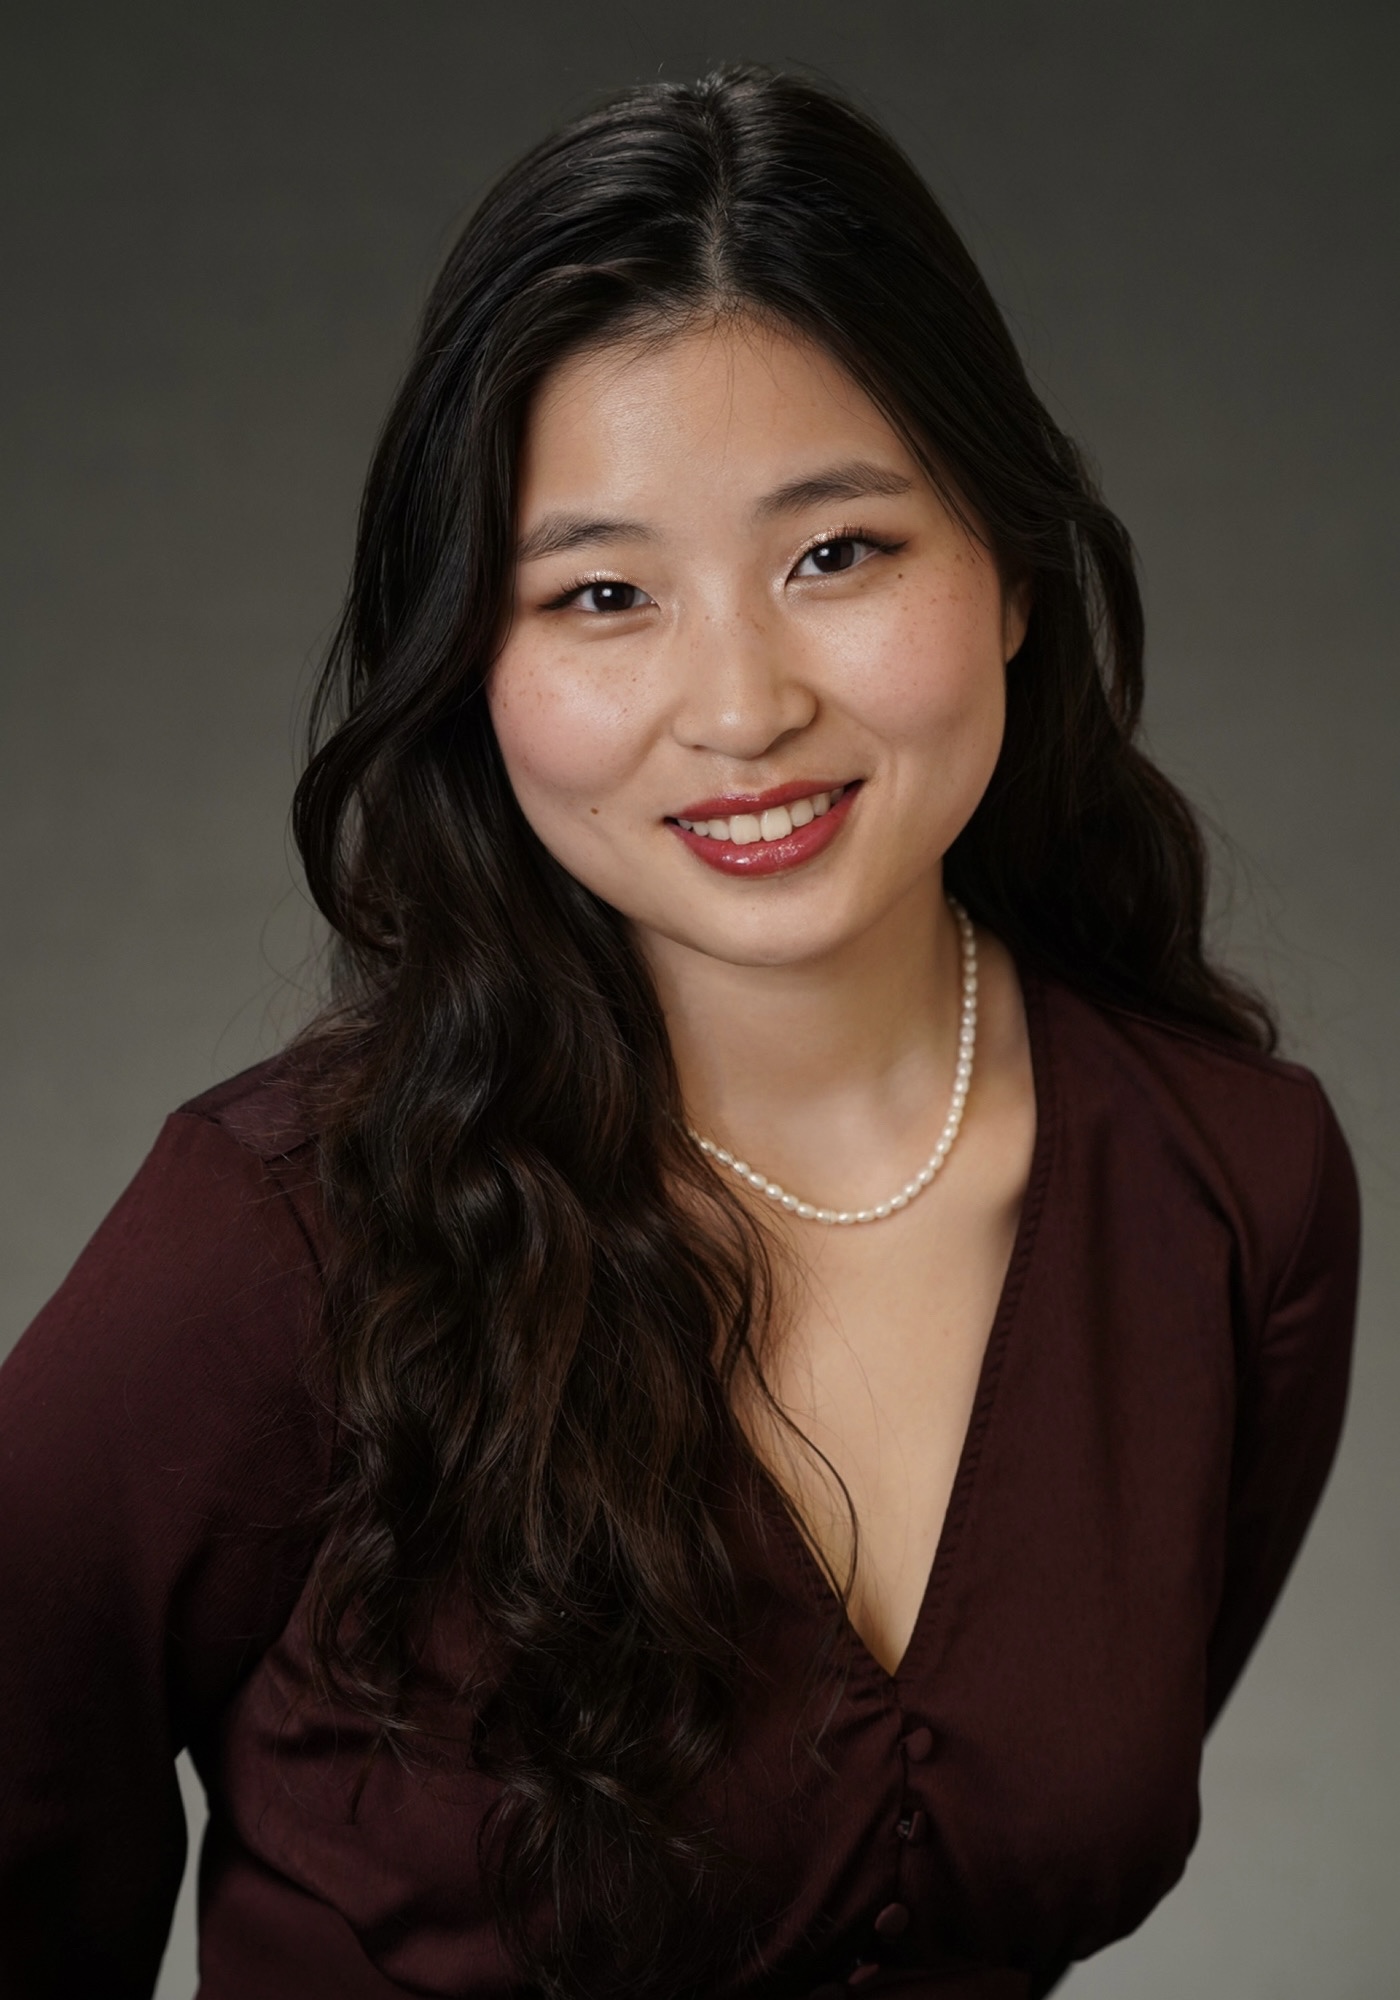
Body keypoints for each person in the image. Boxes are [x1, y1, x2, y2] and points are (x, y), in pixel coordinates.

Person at [0, 64, 1360, 2000]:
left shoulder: (1236, 1181)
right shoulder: (272, 1238)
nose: (736, 705)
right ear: (472, 664)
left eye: (836, 554)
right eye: (603, 592)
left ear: (1013, 572)